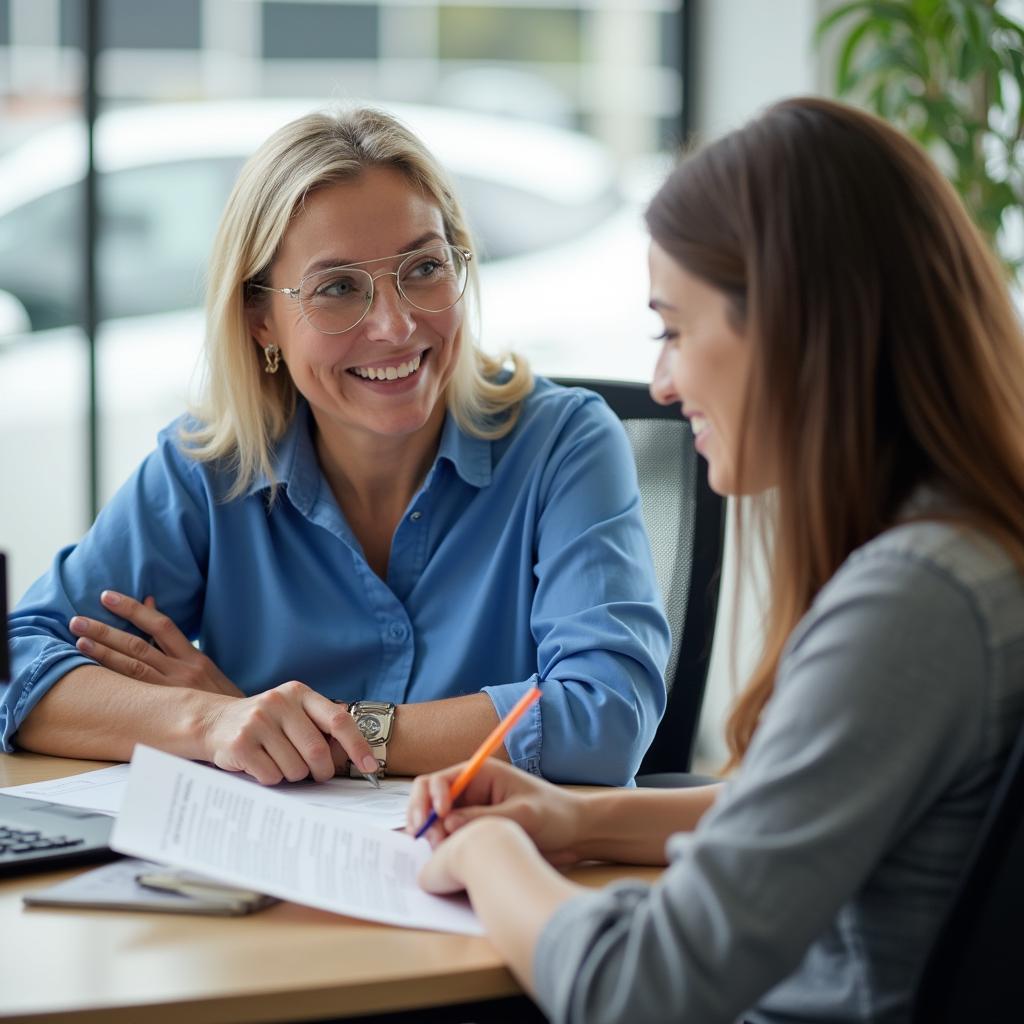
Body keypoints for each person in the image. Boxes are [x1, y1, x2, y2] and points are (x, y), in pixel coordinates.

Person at [406, 96, 1024, 1023]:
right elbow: (800, 817)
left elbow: (641, 989)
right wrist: (576, 818)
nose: (660, 381)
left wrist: (491, 858)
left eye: (675, 329)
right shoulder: (969, 553)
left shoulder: (911, 604)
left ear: (791, 324)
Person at [3, 106, 670, 787]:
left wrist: (313, 728)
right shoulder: (209, 471)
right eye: (338, 288)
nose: (395, 323)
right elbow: (20, 661)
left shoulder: (564, 445)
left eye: (424, 268)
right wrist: (212, 722)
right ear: (261, 319)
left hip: (488, 877)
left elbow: (605, 717)